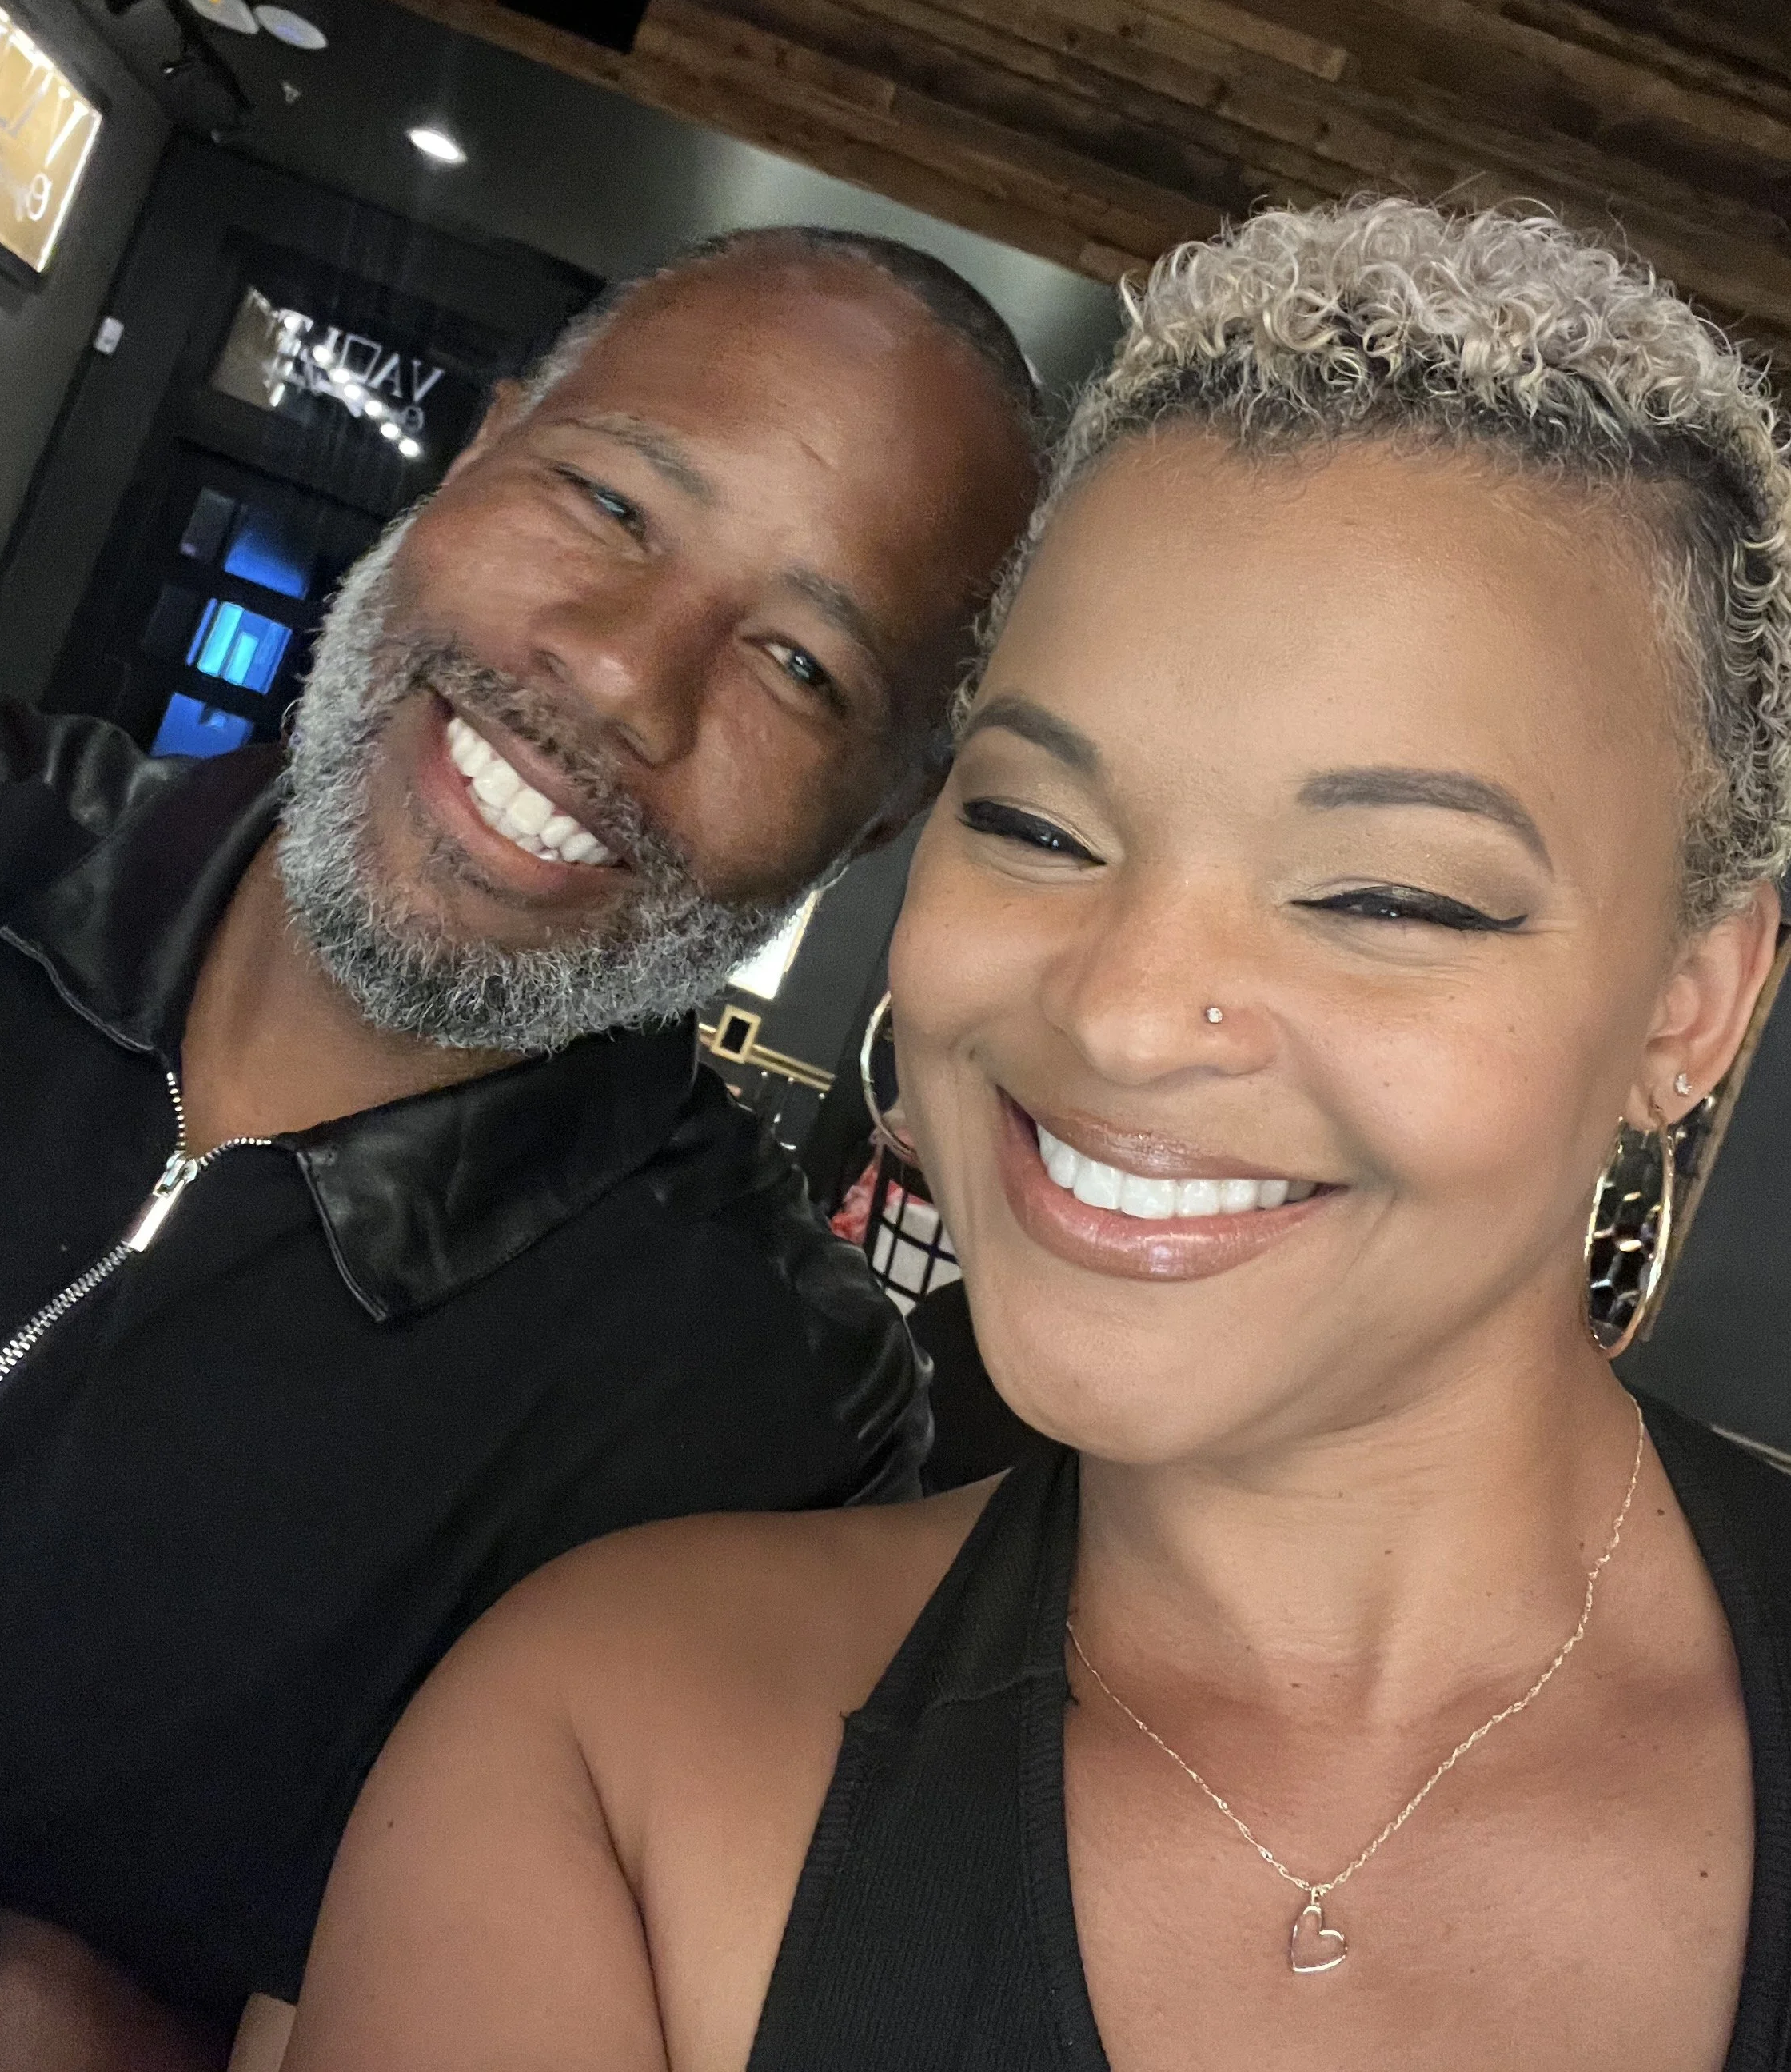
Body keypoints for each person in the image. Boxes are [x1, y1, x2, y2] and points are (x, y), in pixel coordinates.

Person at [276, 198, 1790, 2072]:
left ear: (1691, 1001)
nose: (1128, 1011)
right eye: (1040, 826)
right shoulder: (625, 1755)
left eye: (1388, 895)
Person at [0, 225, 1045, 2066]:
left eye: (798, 660)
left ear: (874, 823)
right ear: (478, 450)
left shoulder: (756, 1422)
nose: (622, 676)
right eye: (611, 502)